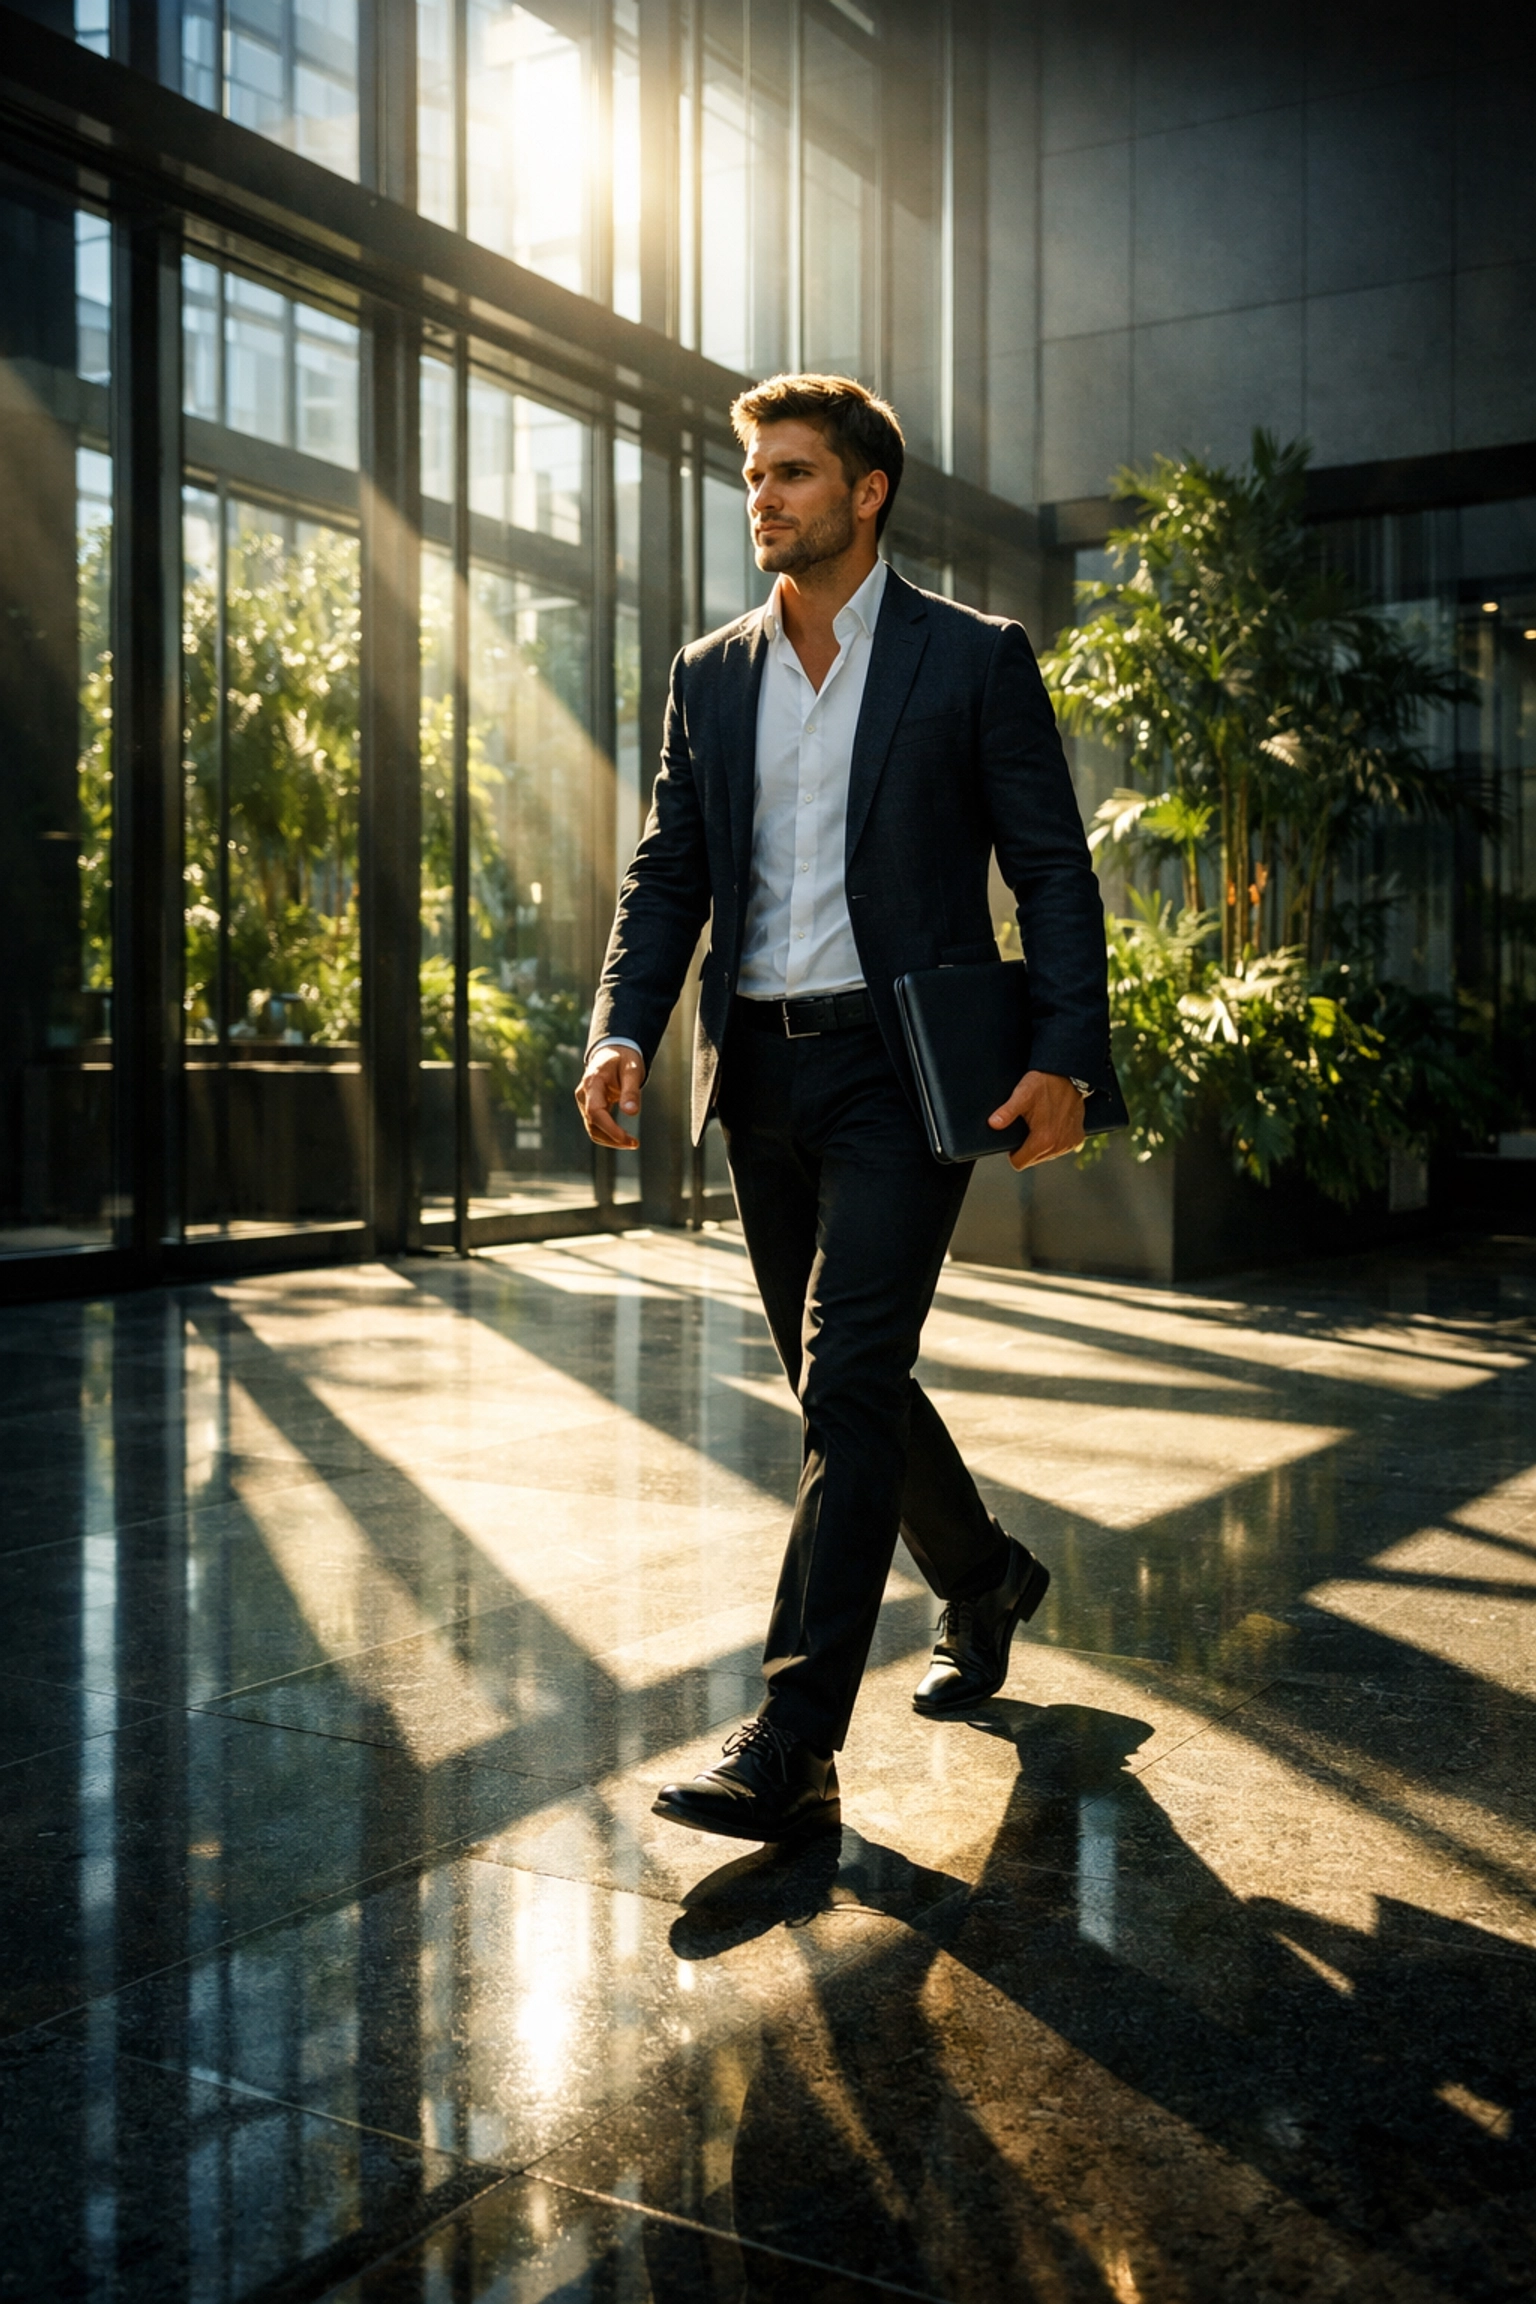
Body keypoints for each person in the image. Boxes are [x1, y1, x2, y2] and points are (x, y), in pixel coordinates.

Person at [575, 374, 1110, 1845]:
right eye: (754, 476)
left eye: (793, 474)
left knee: (854, 1368)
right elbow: (669, 869)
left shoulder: (970, 659)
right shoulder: (712, 672)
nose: (764, 498)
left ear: (867, 491)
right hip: (759, 1069)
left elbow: (1052, 869)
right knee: (841, 1386)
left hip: (902, 1067)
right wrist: (625, 1023)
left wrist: (1064, 1055)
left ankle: (795, 1737)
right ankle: (987, 1576)